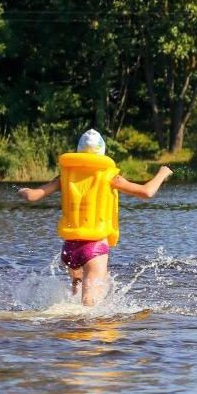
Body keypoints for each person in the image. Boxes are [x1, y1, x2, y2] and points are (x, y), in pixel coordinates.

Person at [18, 129, 174, 306]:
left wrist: (21, 190)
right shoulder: (111, 177)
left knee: (76, 292)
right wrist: (163, 172)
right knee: (89, 309)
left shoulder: (65, 177)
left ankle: (70, 330)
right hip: (94, 248)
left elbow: (32, 196)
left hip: (69, 248)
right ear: (103, 152)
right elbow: (147, 192)